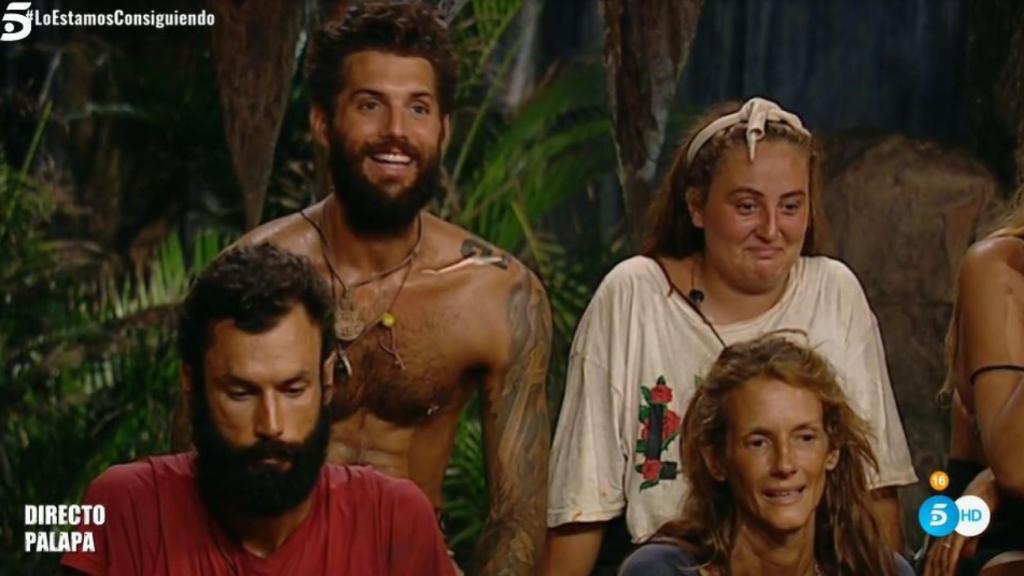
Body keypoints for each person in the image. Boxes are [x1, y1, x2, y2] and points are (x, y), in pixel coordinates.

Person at [176, 2, 552, 573]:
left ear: (444, 129)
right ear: (323, 122)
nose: (396, 131)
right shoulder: (247, 273)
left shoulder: (498, 296)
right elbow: (186, 470)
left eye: (418, 108)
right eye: (370, 105)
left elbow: (517, 520)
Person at [543, 97, 917, 574]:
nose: (770, 230)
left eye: (790, 207)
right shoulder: (634, 295)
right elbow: (581, 504)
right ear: (697, 206)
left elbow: (875, 486)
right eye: (746, 206)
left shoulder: (834, 291)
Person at [62, 243, 454, 575]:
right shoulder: (126, 510)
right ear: (191, 384)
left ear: (327, 379)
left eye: (293, 389)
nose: (272, 425)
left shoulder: (393, 523)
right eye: (241, 393)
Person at [618, 334, 916, 576]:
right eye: (758, 442)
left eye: (805, 438)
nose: (785, 464)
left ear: (832, 450)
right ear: (716, 459)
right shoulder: (662, 571)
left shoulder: (881, 572)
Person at [923, 196, 1024, 576]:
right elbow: (1017, 467)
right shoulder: (999, 267)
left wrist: (994, 481)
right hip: (1000, 531)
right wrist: (997, 479)